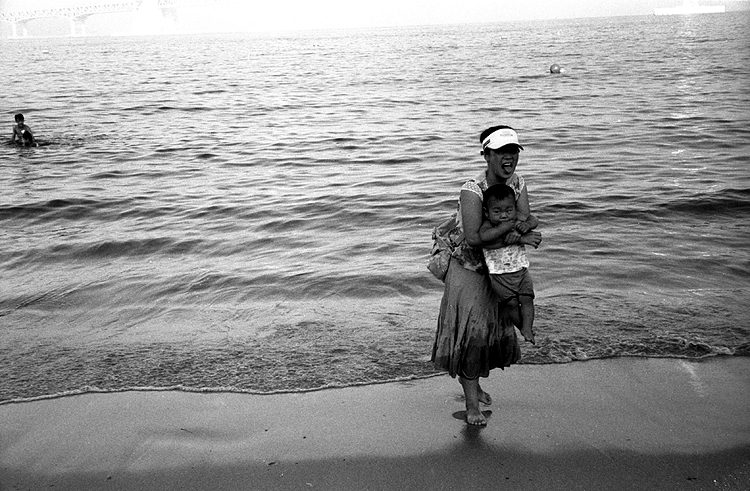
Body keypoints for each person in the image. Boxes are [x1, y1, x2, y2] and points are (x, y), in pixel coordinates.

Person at [431, 125, 542, 426]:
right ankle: (471, 405)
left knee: (491, 334)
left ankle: (474, 385)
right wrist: (519, 233)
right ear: (486, 155)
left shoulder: (517, 183)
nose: (509, 158)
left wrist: (525, 227)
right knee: (472, 337)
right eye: (501, 152)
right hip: (469, 269)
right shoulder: (472, 189)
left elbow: (525, 218)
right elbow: (474, 238)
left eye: (513, 151)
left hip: (501, 267)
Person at [479, 183, 538, 345]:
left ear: (515, 208)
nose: (504, 215)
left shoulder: (516, 219)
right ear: (487, 212)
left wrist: (527, 225)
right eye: (497, 212)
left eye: (508, 210)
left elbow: (534, 219)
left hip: (521, 270)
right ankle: (523, 328)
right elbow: (484, 237)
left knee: (527, 299)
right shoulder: (488, 224)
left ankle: (528, 327)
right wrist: (504, 228)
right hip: (499, 275)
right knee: (511, 304)